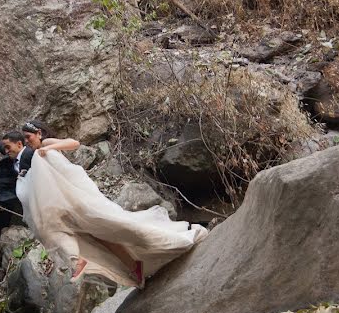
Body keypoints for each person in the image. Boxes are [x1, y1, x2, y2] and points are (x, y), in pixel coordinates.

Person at [17, 119, 207, 288]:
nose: (27, 141)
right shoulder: (34, 159)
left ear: (39, 134)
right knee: (105, 238)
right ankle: (134, 268)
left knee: (116, 226)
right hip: (69, 202)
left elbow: (73, 143)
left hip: (80, 198)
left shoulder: (46, 143)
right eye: (24, 139)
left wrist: (47, 148)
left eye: (28, 137)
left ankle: (177, 240)